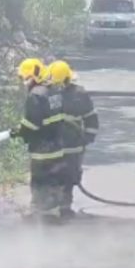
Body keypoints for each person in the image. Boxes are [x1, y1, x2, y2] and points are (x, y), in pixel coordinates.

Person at [9, 58, 67, 219]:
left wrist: (19, 132)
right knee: (54, 181)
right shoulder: (54, 90)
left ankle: (38, 214)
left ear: (32, 77)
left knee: (39, 182)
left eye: (24, 77)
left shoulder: (35, 95)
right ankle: (54, 212)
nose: (23, 81)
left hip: (42, 149)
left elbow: (32, 124)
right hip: (57, 146)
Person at [48, 60, 99, 219]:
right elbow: (91, 118)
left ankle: (55, 209)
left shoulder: (48, 94)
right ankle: (63, 209)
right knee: (68, 178)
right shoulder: (79, 93)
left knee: (56, 178)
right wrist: (88, 137)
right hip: (72, 147)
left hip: (55, 148)